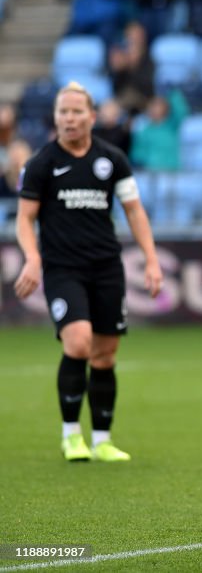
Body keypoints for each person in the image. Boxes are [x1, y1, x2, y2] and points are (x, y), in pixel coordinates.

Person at [13, 82, 163, 462]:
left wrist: (151, 258)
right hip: (64, 269)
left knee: (105, 356)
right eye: (63, 111)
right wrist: (32, 257)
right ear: (56, 117)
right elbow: (25, 219)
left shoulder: (112, 160)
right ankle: (70, 436)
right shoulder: (41, 163)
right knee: (78, 343)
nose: (69, 118)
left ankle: (102, 440)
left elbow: (134, 211)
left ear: (92, 117)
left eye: (77, 111)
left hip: (107, 267)